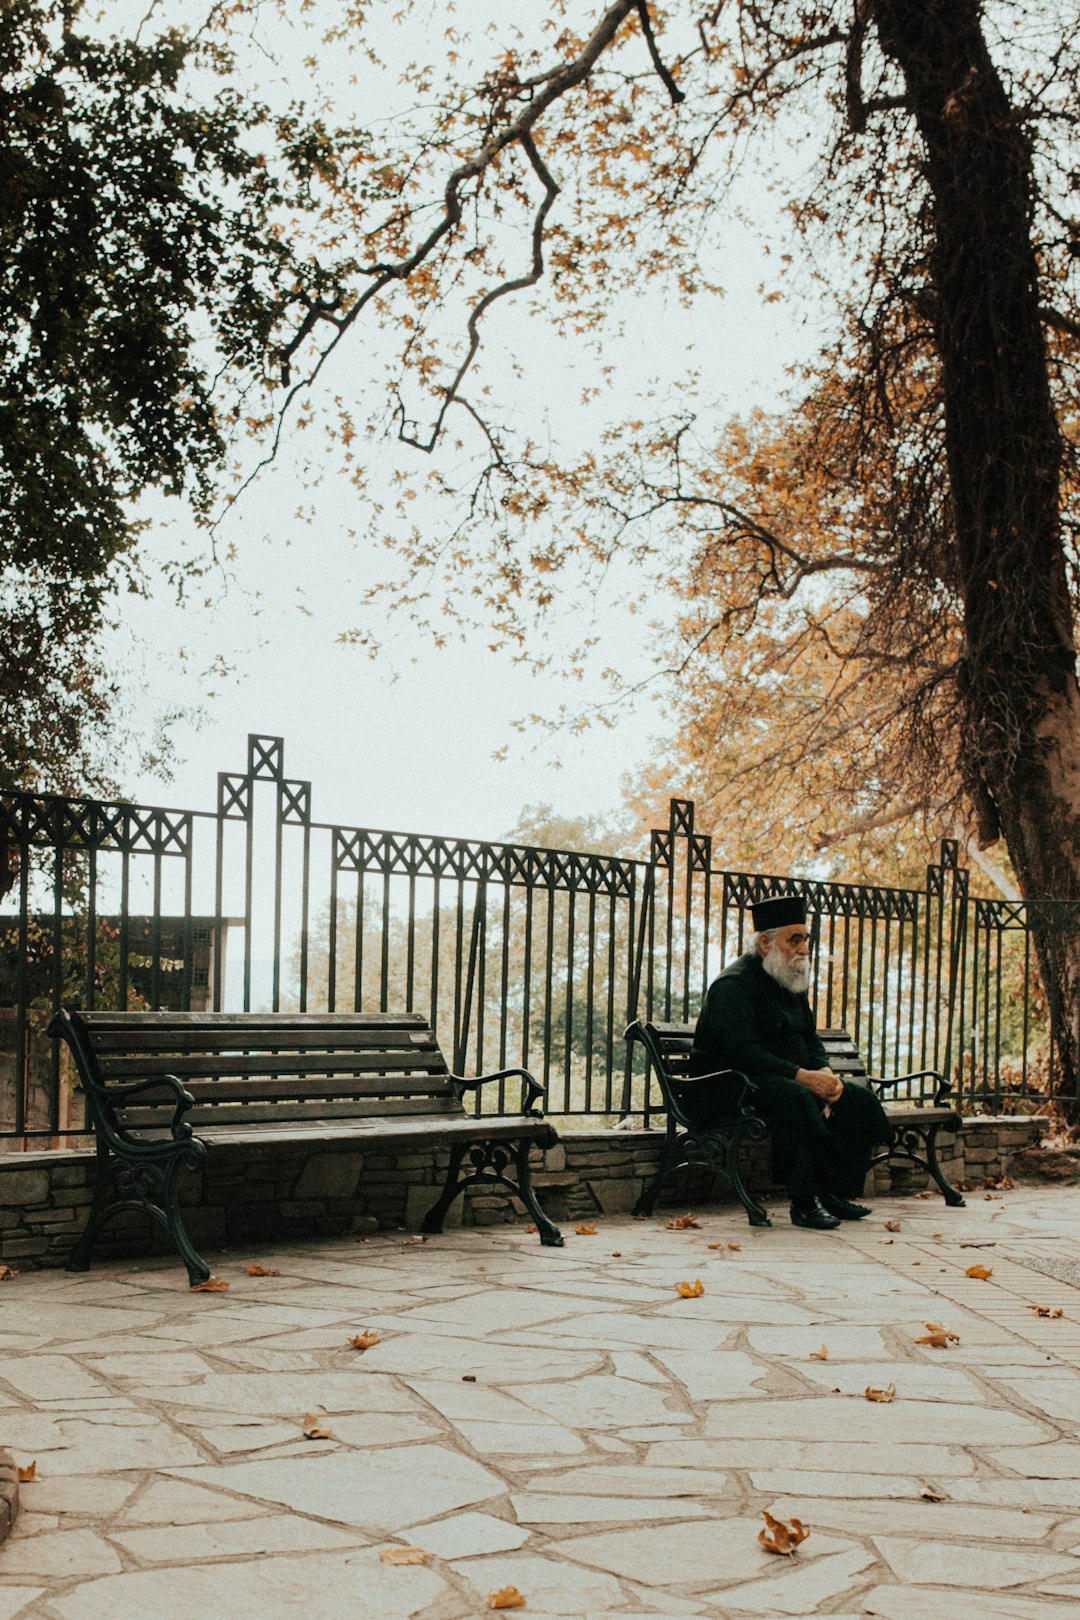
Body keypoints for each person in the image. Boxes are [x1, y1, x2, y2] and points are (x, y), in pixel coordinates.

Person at [689, 894, 894, 1230]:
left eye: (806, 938)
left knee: (856, 1097)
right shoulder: (732, 986)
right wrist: (803, 1077)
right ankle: (804, 1203)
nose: (804, 948)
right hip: (731, 1084)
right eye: (794, 939)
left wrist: (823, 1070)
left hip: (778, 1078)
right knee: (796, 1098)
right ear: (766, 943)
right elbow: (743, 1053)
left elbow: (810, 1036)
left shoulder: (789, 980)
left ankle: (834, 1192)